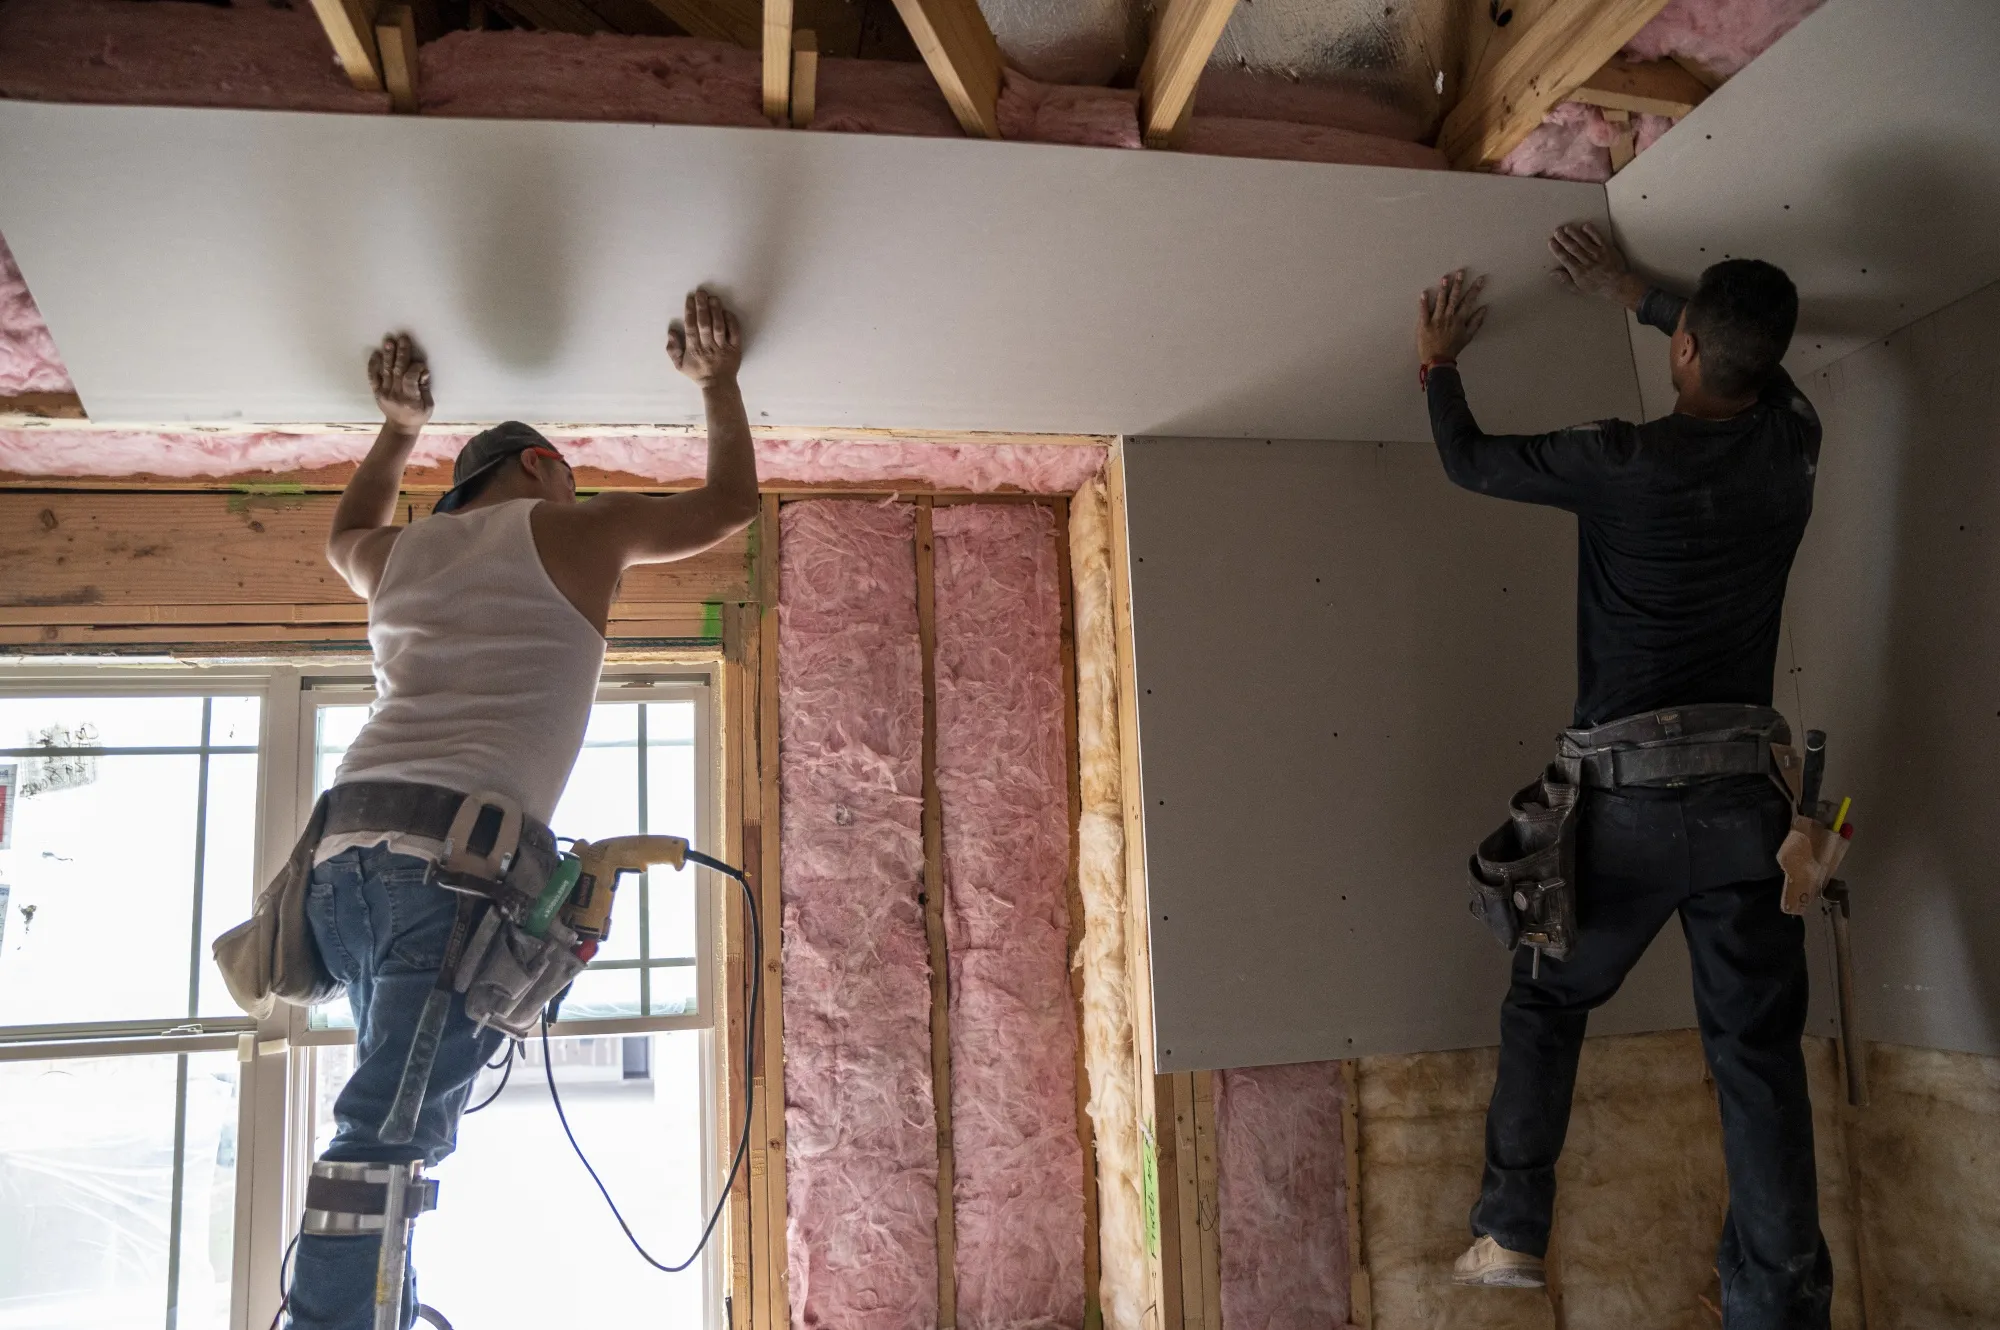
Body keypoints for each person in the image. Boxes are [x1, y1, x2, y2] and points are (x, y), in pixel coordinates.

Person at [284, 290, 759, 1330]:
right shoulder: (571, 528)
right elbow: (729, 504)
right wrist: (717, 382)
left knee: (401, 1115)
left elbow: (346, 533)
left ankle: (380, 1308)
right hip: (433, 869)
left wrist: (396, 430)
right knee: (388, 1131)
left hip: (342, 864)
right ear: (543, 466)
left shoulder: (399, 558)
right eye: (571, 473)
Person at [1417, 224, 1831, 1328]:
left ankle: (1509, 1231)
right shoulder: (1790, 441)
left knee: (1547, 1002)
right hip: (1751, 810)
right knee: (1753, 1054)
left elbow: (1466, 458)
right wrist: (1646, 299)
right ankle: (1779, 1300)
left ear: (1685, 350)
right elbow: (1762, 365)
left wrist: (1436, 361)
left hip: (1629, 808)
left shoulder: (1623, 460)